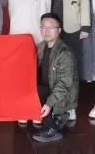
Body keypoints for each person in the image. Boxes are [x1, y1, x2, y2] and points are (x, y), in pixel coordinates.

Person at [42, 0, 90, 120]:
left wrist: (85, 26)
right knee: (53, 66)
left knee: (71, 69)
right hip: (53, 28)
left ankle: (71, 106)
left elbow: (85, 1)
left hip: (73, 27)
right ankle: (55, 103)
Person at [32, 13, 79, 143]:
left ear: (58, 30)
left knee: (39, 92)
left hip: (63, 94)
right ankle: (57, 117)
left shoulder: (65, 53)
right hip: (48, 88)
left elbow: (65, 83)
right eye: (43, 27)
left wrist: (49, 103)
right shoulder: (41, 46)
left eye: (51, 27)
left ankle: (53, 129)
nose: (46, 31)